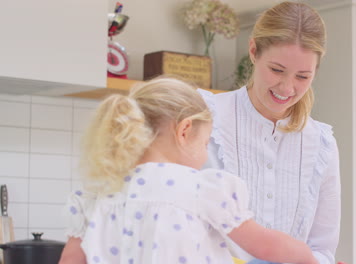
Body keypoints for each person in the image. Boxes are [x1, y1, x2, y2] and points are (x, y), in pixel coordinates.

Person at [58, 77, 320, 264]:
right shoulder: (202, 189)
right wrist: (307, 257)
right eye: (206, 142)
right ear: (184, 131)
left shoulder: (96, 195)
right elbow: (264, 245)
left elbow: (71, 260)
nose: (206, 153)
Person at [198, 1, 341, 264]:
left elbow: (322, 250)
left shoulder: (321, 145)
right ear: (253, 51)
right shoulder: (206, 117)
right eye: (277, 70)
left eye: (302, 76)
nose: (287, 88)